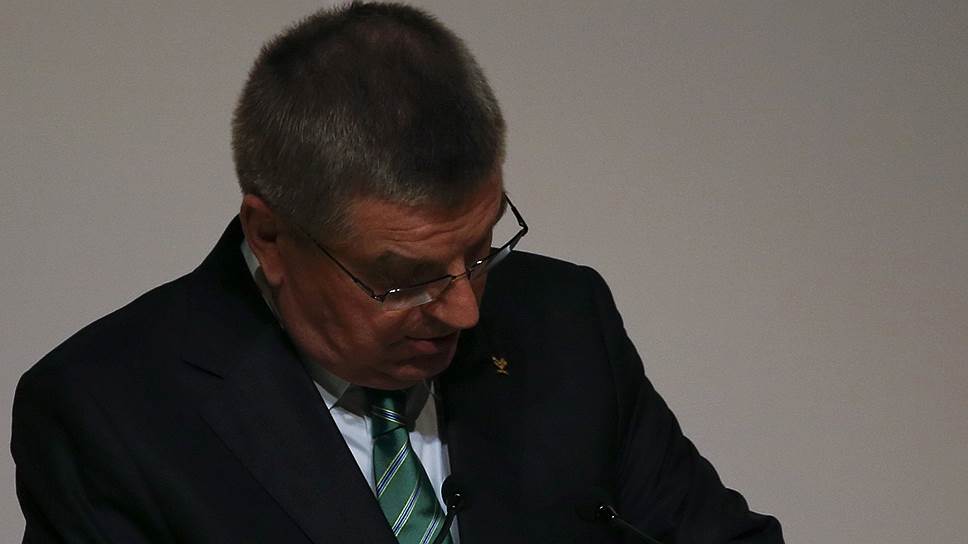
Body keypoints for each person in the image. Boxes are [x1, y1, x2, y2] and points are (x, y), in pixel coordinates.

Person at [12, 2, 783, 542]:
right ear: (270, 236)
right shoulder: (107, 414)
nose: (464, 311)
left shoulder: (564, 321)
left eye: (481, 251)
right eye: (405, 279)